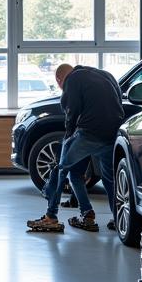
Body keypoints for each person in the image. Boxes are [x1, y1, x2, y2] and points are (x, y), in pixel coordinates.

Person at [27, 62, 123, 233]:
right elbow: (118, 99)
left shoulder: (72, 79)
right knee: (104, 178)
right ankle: (107, 217)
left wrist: (68, 137)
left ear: (59, 79)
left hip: (89, 132)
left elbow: (72, 111)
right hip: (112, 132)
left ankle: (51, 218)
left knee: (61, 170)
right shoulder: (103, 74)